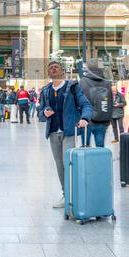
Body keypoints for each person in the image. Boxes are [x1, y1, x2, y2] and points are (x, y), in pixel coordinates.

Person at [38, 60, 93, 209]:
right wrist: (44, 113)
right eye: (50, 68)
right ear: (48, 73)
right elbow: (40, 113)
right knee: (59, 165)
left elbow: (86, 104)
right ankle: (66, 194)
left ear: (62, 71)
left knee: (68, 163)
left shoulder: (73, 87)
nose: (53, 69)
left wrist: (84, 118)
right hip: (53, 133)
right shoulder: (45, 91)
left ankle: (73, 194)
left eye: (56, 67)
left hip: (69, 131)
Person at [78, 60, 111, 147]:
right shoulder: (106, 82)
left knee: (85, 147)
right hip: (102, 120)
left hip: (86, 120)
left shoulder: (83, 81)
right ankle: (99, 161)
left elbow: (78, 100)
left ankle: (86, 161)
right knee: (100, 148)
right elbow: (109, 102)